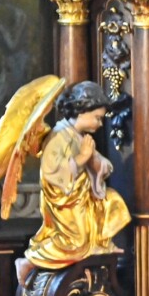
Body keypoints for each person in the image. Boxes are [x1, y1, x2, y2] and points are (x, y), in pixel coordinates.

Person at [25, 80, 130, 279]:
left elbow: (101, 163)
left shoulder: (77, 136)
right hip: (66, 203)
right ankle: (29, 261)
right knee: (75, 243)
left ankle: (100, 243)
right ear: (81, 111)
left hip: (83, 198)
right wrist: (82, 158)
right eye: (97, 118)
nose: (100, 124)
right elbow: (52, 172)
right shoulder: (58, 137)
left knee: (112, 201)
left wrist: (97, 164)